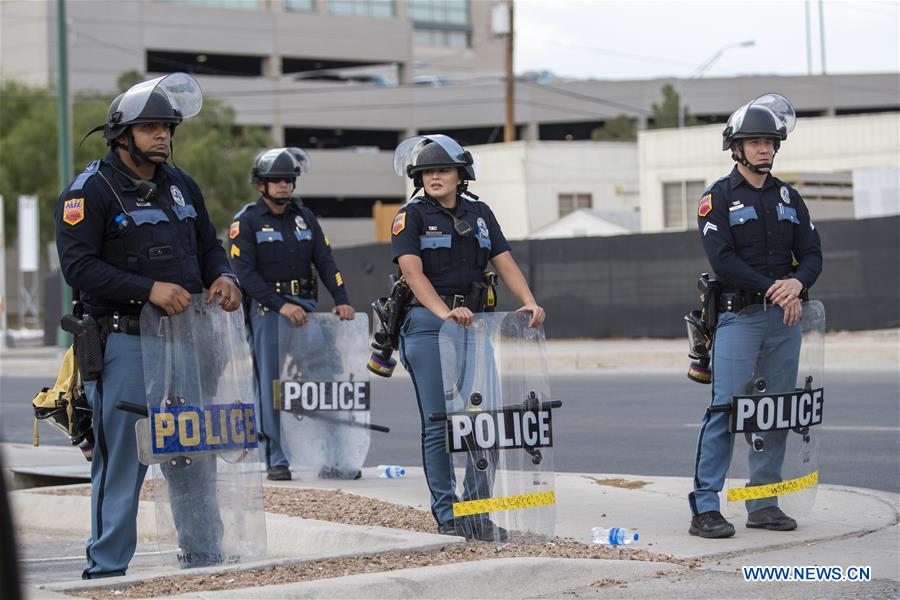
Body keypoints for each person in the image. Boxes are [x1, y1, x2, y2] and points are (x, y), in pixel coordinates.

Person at [55, 73, 243, 578]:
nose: (162, 136)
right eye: (150, 127)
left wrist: (223, 275)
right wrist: (149, 290)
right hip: (126, 341)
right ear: (122, 134)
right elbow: (78, 267)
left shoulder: (182, 185)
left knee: (194, 448)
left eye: (167, 127)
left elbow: (207, 246)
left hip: (192, 342)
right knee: (123, 463)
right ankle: (106, 569)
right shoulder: (88, 191)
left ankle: (204, 560)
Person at [390, 134, 545, 541]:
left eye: (442, 169)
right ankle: (447, 514)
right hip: (427, 324)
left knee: (485, 420)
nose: (434, 177)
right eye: (426, 171)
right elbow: (412, 272)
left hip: (474, 326)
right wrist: (444, 313)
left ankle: (476, 511)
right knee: (438, 424)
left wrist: (528, 300)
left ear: (461, 174)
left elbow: (504, 261)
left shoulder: (480, 213)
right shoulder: (410, 216)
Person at [689, 93, 822, 538]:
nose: (764, 148)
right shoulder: (718, 197)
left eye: (769, 141)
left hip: (784, 321)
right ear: (736, 148)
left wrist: (798, 283)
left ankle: (763, 503)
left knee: (775, 411)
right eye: (755, 142)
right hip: (738, 318)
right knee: (725, 410)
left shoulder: (790, 197)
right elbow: (722, 259)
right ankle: (705, 507)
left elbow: (812, 254)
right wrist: (774, 286)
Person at [227, 147, 355, 481]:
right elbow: (244, 274)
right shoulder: (247, 221)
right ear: (260, 185)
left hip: (308, 313)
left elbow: (325, 261)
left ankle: (334, 456)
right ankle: (276, 458)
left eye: (288, 179)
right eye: (275, 180)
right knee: (271, 387)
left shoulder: (305, 218)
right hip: (270, 312)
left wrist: (341, 299)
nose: (283, 185)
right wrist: (281, 304)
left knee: (325, 382)